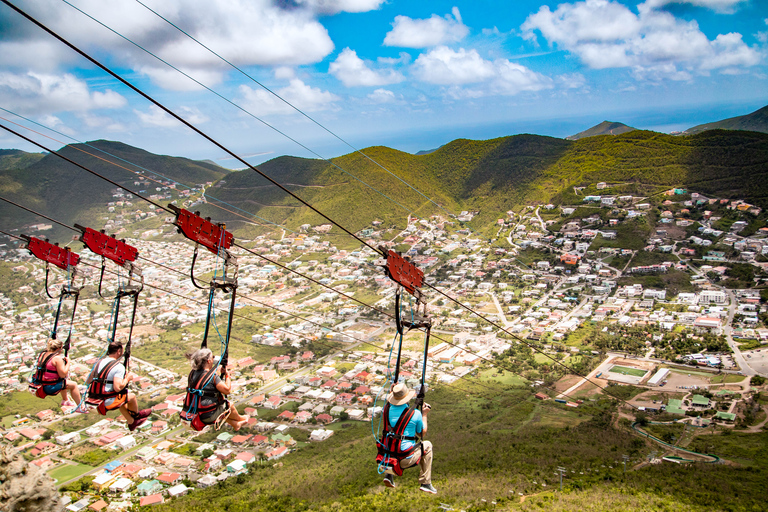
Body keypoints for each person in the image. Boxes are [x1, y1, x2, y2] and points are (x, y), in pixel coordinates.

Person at [382, 382, 436, 494]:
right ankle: (426, 482)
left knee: (393, 439)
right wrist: (424, 414)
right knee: (427, 445)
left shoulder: (386, 410)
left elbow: (389, 404)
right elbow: (421, 433)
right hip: (405, 459)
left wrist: (394, 391)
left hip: (387, 457)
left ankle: (389, 474)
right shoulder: (415, 414)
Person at [86, 341, 150, 431]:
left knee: (121, 399)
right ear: (119, 352)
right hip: (105, 401)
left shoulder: (99, 363)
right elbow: (117, 387)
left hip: (93, 400)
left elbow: (89, 380)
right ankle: (136, 416)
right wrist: (127, 378)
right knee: (131, 397)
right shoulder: (118, 367)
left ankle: (131, 421)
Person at [187, 348, 246, 430]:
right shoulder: (212, 376)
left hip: (195, 412)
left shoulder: (192, 373)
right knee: (228, 406)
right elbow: (227, 390)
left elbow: (208, 386)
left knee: (221, 411)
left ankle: (236, 424)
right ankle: (242, 419)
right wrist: (227, 376)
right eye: (212, 357)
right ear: (208, 361)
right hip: (207, 415)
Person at [33, 338, 83, 410]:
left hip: (40, 384)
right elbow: (63, 374)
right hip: (49, 387)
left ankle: (65, 399)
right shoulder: (57, 358)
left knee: (63, 381)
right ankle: (80, 407)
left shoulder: (43, 354)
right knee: (74, 385)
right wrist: (68, 363)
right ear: (59, 348)